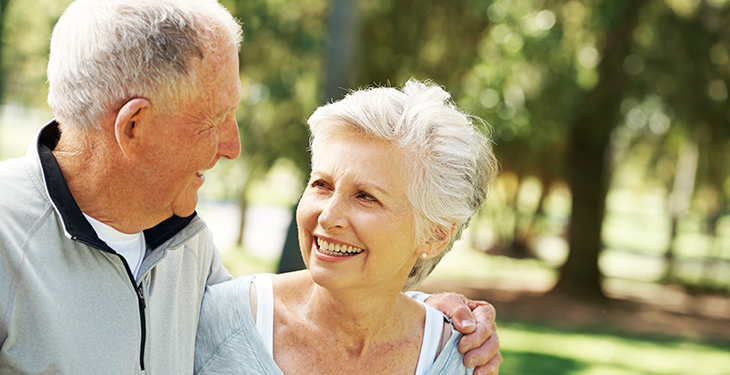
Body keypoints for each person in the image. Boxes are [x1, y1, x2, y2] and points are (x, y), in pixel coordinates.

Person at [0, 1, 500, 374]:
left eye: (366, 196)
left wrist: (426, 311)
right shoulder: (8, 237)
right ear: (134, 127)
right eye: (215, 119)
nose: (233, 146)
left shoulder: (186, 246)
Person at [195, 79, 502, 375]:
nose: (328, 217)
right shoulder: (214, 322)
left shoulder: (460, 356)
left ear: (435, 235)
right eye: (321, 184)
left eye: (366, 197)